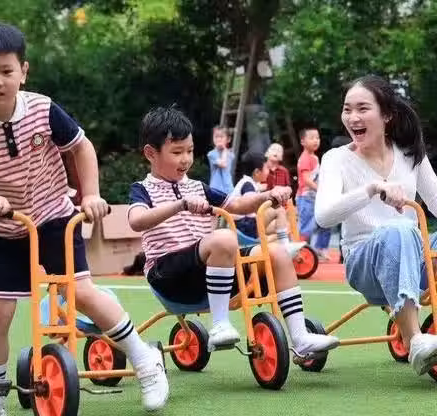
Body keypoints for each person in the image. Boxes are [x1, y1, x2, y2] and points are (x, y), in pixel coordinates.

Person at [0, 23, 168, 415]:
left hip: (52, 216)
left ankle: (146, 361)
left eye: (6, 70)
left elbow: (81, 147)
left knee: (80, 293)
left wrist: (91, 194)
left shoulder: (42, 109)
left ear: (23, 71)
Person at [315, 75, 437, 377]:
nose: (353, 117)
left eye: (363, 109)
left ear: (387, 115)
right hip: (365, 265)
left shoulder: (408, 153)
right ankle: (414, 338)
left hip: (416, 257)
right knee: (399, 228)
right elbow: (324, 216)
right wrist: (372, 189)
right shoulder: (335, 159)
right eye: (347, 109)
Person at [127, 106, 339, 356]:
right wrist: (180, 205)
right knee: (223, 238)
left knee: (276, 253)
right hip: (169, 277)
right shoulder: (142, 189)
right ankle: (220, 325)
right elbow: (136, 220)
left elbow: (237, 205)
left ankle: (300, 337)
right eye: (177, 152)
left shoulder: (197, 187)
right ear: (151, 153)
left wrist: (267, 195)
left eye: (190, 151)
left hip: (205, 272)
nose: (185, 159)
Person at [230, 151, 305, 256]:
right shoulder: (247, 185)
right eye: (266, 168)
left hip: (247, 225)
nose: (268, 171)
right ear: (257, 172)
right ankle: (285, 246)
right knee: (279, 210)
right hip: (246, 225)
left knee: (283, 226)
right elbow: (250, 202)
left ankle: (285, 248)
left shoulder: (248, 183)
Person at [296, 128, 331, 260]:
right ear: (303, 141)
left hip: (315, 196)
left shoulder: (314, 157)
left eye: (317, 137)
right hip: (306, 197)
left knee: (324, 222)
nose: (316, 140)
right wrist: (320, 190)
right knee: (306, 227)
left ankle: (319, 249)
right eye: (312, 138)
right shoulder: (305, 158)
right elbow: (306, 180)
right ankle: (301, 252)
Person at [207, 126, 234, 194]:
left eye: (221, 137)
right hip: (215, 188)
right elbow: (223, 164)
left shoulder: (230, 154)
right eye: (216, 137)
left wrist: (225, 150)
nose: (218, 139)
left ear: (228, 139)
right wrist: (225, 150)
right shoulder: (211, 154)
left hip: (228, 188)